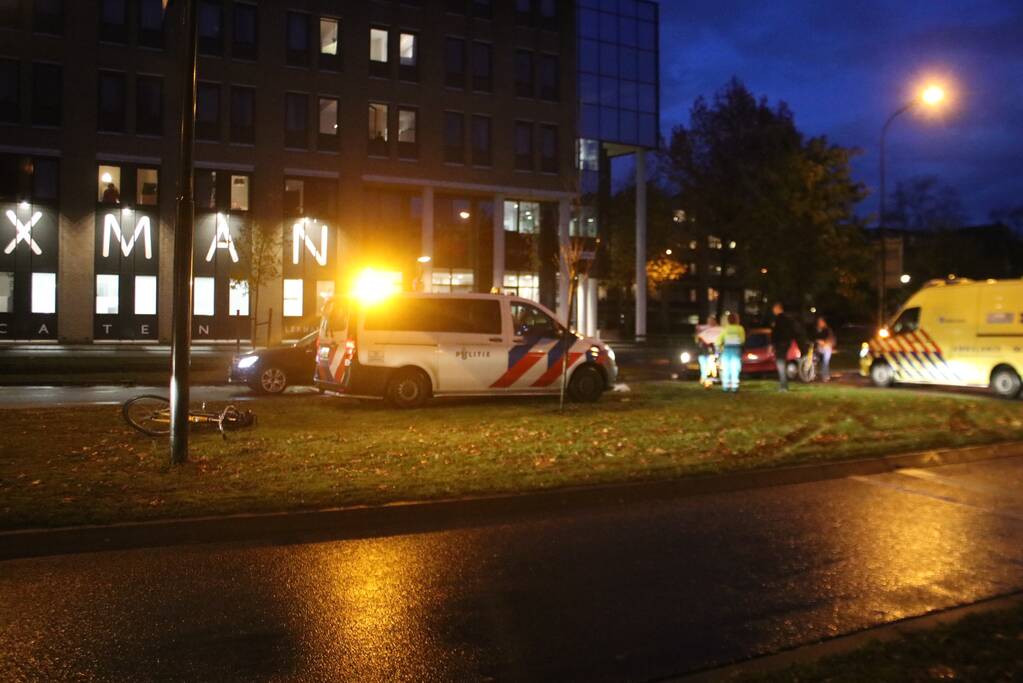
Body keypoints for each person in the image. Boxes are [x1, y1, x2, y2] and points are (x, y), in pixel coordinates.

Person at [770, 302, 802, 391]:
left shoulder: (778, 319)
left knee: (780, 363)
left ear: (778, 308)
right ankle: (783, 385)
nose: (773, 311)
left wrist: (772, 344)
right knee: (782, 363)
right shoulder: (788, 319)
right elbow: (794, 331)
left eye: (774, 309)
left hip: (780, 343)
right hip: (787, 343)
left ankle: (783, 386)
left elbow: (775, 333)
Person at [716, 312, 745, 393]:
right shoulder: (740, 328)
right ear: (736, 320)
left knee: (726, 368)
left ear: (728, 320)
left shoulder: (725, 329)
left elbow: (718, 341)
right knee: (735, 368)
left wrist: (718, 348)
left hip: (726, 350)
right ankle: (735, 387)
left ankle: (726, 386)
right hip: (736, 350)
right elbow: (742, 340)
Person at [694, 314, 721, 388]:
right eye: (709, 321)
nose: (710, 322)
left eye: (712, 321)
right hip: (703, 350)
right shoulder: (704, 328)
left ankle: (708, 380)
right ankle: (704, 379)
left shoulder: (717, 329)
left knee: (711, 366)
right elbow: (697, 336)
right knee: (703, 365)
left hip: (711, 350)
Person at [814, 316, 836, 382]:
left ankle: (825, 376)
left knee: (825, 362)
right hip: (820, 348)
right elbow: (816, 338)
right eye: (818, 322)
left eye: (820, 322)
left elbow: (829, 338)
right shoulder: (818, 330)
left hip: (827, 348)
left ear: (824, 322)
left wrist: (824, 342)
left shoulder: (827, 330)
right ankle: (820, 375)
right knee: (816, 360)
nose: (819, 323)